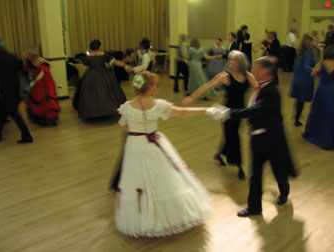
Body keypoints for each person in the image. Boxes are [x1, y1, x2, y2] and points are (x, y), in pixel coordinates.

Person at [115, 71, 213, 237]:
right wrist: (206, 109)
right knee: (162, 177)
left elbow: (124, 125)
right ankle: (168, 216)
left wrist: (137, 132)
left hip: (135, 145)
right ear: (151, 88)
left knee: (137, 179)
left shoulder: (126, 107)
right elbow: (183, 112)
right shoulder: (158, 105)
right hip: (154, 142)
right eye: (155, 85)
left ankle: (142, 219)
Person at [209, 56, 298, 217]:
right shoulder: (261, 88)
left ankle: (284, 191)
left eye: (257, 67)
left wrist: (228, 113)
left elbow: (254, 110)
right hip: (257, 139)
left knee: (278, 170)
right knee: (255, 175)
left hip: (272, 140)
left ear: (266, 71)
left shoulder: (271, 91)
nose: (253, 70)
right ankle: (255, 208)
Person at [183, 51, 258, 180]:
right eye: (229, 59)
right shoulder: (224, 76)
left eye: (233, 60)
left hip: (240, 112)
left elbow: (259, 90)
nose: (230, 62)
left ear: (240, 61)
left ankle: (219, 154)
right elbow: (208, 86)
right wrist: (192, 96)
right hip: (226, 112)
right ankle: (240, 165)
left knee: (230, 135)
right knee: (233, 136)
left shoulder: (248, 76)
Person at [74, 39, 127, 120]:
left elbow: (86, 67)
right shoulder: (104, 55)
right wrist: (125, 66)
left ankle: (93, 112)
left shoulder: (87, 57)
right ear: (99, 46)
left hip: (90, 75)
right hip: (104, 74)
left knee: (91, 94)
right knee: (107, 93)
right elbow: (115, 62)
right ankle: (106, 111)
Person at [0, 38, 33, 143]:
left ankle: (27, 135)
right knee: (4, 112)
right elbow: (20, 70)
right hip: (15, 88)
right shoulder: (12, 56)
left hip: (3, 90)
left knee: (13, 113)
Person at [303, 45, 334, 149]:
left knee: (317, 112)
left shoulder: (320, 64)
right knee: (331, 114)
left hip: (322, 90)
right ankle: (329, 138)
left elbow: (312, 73)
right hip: (332, 90)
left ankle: (313, 133)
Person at [22, 47, 61, 126]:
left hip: (46, 83)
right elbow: (25, 69)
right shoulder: (29, 62)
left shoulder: (42, 62)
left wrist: (34, 81)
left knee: (47, 99)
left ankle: (49, 119)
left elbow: (42, 73)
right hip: (37, 83)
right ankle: (39, 117)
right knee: (36, 98)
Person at [290, 34, 316, 126]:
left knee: (298, 100)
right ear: (309, 42)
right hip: (304, 79)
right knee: (301, 100)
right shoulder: (308, 53)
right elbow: (307, 66)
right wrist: (316, 69)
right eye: (312, 41)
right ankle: (297, 119)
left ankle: (296, 117)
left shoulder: (300, 52)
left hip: (298, 78)